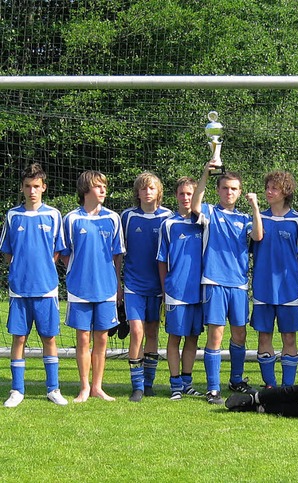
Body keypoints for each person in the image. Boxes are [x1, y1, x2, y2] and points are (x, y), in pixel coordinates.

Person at [192, 161, 264, 404]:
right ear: (218, 191)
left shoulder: (245, 218)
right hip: (214, 282)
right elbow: (194, 204)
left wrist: (255, 206)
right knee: (216, 335)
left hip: (239, 284)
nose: (229, 192)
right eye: (225, 188)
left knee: (240, 334)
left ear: (240, 192)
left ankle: (236, 379)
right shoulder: (211, 212)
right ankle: (213, 388)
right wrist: (205, 173)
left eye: (234, 189)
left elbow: (258, 235)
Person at [1, 163, 68, 407]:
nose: (32, 191)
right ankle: (17, 390)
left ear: (44, 188)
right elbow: (7, 251)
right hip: (19, 289)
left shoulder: (53, 215)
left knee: (49, 338)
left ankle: (53, 389)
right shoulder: (12, 215)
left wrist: (43, 268)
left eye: (36, 186)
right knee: (19, 338)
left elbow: (57, 250)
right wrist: (20, 268)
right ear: (22, 188)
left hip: (46, 288)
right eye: (28, 186)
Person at [61, 170, 125, 403]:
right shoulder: (71, 219)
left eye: (104, 186)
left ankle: (98, 386)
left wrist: (117, 284)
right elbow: (65, 253)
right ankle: (84, 387)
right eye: (98, 186)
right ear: (86, 189)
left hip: (107, 288)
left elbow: (117, 255)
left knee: (102, 338)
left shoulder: (113, 218)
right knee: (83, 338)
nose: (103, 190)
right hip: (79, 289)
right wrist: (77, 271)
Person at [251, 170, 298, 388]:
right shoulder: (258, 219)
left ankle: (287, 387)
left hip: (288, 291)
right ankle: (270, 386)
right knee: (264, 337)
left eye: (274, 188)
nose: (269, 191)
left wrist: (290, 273)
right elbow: (255, 240)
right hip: (263, 289)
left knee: (289, 338)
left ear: (286, 191)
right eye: (267, 187)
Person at [121, 172, 172, 402]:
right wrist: (118, 282)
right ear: (138, 192)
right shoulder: (127, 217)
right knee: (137, 332)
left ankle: (149, 383)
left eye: (151, 188)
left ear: (158, 191)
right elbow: (118, 252)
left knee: (152, 332)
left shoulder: (168, 217)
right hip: (133, 284)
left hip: (158, 286)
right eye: (143, 188)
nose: (147, 192)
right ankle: (137, 386)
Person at [157, 176, 204, 400]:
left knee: (193, 337)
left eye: (190, 194)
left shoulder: (204, 223)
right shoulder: (168, 224)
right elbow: (161, 260)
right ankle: (174, 383)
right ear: (175, 196)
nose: (186, 198)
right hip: (176, 291)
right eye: (182, 194)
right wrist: (166, 288)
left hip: (199, 291)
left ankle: (187, 382)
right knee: (175, 337)